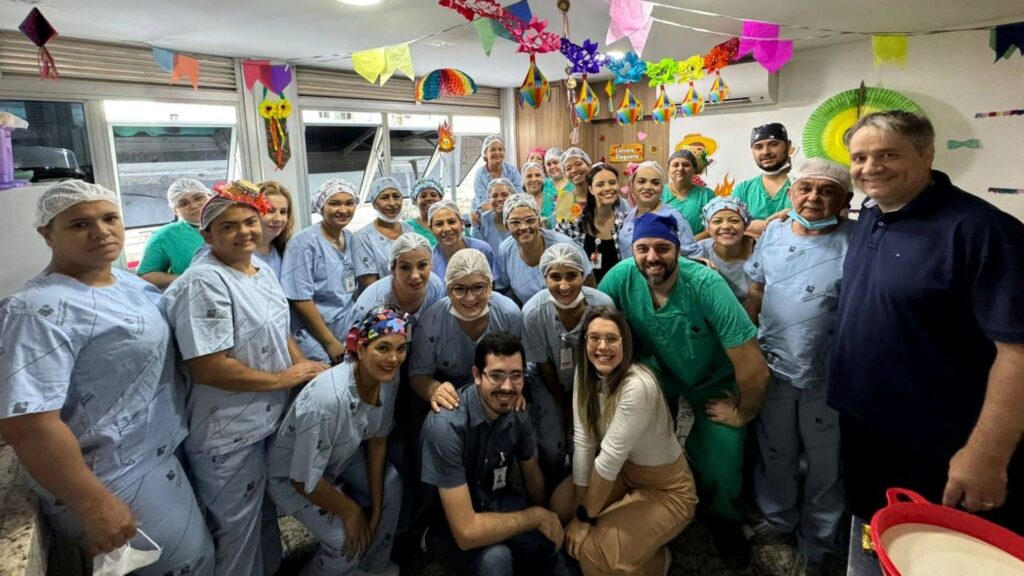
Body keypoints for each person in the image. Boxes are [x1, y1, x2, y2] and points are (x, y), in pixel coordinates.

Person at [0, 180, 215, 575]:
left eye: (109, 218)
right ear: (47, 234)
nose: (100, 231)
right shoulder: (36, 310)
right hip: (108, 475)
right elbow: (28, 423)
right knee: (182, 567)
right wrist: (93, 504)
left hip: (157, 452)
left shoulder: (129, 283)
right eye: (79, 224)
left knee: (196, 558)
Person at [830, 110, 1024, 533]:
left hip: (943, 441)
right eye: (859, 158)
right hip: (867, 425)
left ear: (927, 155)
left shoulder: (983, 232)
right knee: (876, 531)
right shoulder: (872, 215)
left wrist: (986, 453)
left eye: (887, 155)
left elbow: (1019, 353)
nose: (869, 168)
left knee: (943, 548)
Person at [162, 180, 329, 575]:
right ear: (207, 234)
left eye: (250, 221)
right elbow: (208, 365)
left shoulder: (260, 270)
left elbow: (280, 330)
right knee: (236, 530)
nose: (244, 232)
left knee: (262, 518)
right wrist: (284, 379)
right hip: (227, 429)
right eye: (229, 226)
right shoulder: (203, 282)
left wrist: (304, 371)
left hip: (266, 417)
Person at [598, 212, 769, 566]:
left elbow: (753, 367)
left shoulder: (706, 285)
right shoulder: (621, 278)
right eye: (642, 248)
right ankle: (649, 504)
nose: (652, 257)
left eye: (662, 248)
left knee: (722, 459)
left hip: (713, 381)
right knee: (632, 437)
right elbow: (595, 328)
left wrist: (743, 412)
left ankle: (725, 521)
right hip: (659, 373)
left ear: (678, 250)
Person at [743, 158, 856, 572]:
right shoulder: (772, 232)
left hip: (827, 370)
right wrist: (749, 348)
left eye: (826, 191)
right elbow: (756, 288)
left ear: (845, 200)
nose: (813, 198)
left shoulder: (856, 240)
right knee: (776, 449)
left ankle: (820, 537)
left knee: (825, 459)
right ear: (791, 193)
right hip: (773, 363)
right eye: (805, 188)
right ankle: (777, 520)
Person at [551, 307, 698, 576]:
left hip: (666, 490)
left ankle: (656, 562)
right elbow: (583, 441)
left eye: (612, 339)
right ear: (584, 342)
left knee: (593, 551)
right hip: (623, 473)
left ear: (625, 343)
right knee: (561, 507)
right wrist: (579, 509)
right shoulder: (585, 374)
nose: (602, 347)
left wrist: (584, 520)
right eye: (594, 338)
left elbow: (607, 461)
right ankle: (631, 542)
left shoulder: (638, 386)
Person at [419, 331, 579, 576]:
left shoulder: (516, 410)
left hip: (497, 501)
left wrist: (546, 519)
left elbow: (532, 475)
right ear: (477, 376)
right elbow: (466, 532)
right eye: (496, 375)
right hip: (447, 522)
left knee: (554, 545)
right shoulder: (447, 425)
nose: (507, 386)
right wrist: (535, 517)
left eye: (516, 376)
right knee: (496, 559)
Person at [267, 307, 409, 576]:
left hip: (337, 457)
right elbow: (302, 479)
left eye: (401, 349)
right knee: (345, 545)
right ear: (361, 349)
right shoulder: (327, 400)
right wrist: (350, 511)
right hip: (292, 479)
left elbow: (378, 438)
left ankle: (373, 566)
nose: (393, 358)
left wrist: (377, 510)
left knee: (391, 483)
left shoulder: (388, 376)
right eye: (383, 348)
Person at [522, 245, 614, 460]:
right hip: (548, 380)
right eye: (555, 277)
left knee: (593, 440)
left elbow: (607, 359)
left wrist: (582, 400)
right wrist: (563, 403)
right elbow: (543, 364)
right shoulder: (533, 313)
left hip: (594, 378)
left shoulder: (602, 305)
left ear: (583, 275)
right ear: (544, 278)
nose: (564, 285)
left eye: (571, 275)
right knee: (552, 445)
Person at [409, 249, 523, 408]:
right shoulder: (431, 323)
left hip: (501, 387)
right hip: (453, 397)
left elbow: (523, 365)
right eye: (459, 289)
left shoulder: (509, 315)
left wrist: (516, 390)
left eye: (478, 287)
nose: (470, 298)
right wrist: (435, 389)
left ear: (491, 286)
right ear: (448, 290)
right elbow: (419, 374)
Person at [281, 178, 359, 364]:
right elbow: (300, 298)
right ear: (321, 207)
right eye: (334, 203)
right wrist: (329, 342)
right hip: (315, 337)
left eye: (349, 203)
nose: (343, 209)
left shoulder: (349, 237)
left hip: (345, 331)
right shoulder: (304, 243)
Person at [497, 194, 594, 305]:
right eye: (515, 222)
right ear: (506, 226)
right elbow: (511, 291)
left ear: (539, 221)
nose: (523, 227)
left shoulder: (565, 246)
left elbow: (589, 283)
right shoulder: (506, 250)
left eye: (530, 220)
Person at [554, 164, 626, 284]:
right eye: (600, 184)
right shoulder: (571, 223)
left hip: (617, 293)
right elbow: (554, 253)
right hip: (581, 292)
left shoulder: (627, 224)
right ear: (591, 189)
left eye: (612, 182)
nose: (608, 188)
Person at [617, 161, 701, 261]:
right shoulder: (628, 218)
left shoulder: (674, 218)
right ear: (632, 186)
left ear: (662, 188)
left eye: (655, 183)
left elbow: (693, 258)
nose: (648, 187)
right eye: (641, 181)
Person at [137, 178, 212, 288]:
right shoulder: (165, 236)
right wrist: (187, 279)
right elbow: (145, 275)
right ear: (175, 211)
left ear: (210, 197)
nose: (194, 206)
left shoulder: (233, 223)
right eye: (183, 203)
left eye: (198, 198)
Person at [732, 123, 793, 236]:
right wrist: (790, 223)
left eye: (774, 144)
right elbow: (734, 230)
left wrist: (755, 228)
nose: (765, 152)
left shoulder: (804, 184)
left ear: (788, 146)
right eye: (758, 147)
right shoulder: (744, 189)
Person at [354, 176, 414, 290]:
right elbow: (370, 284)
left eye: (396, 196)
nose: (392, 203)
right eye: (384, 197)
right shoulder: (363, 237)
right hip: (382, 302)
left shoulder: (409, 230)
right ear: (374, 203)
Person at [699, 197, 755, 303]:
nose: (725, 226)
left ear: (745, 225)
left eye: (734, 221)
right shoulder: (698, 252)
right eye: (717, 221)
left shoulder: (762, 251)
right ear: (708, 228)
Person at [429, 199, 498, 281]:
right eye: (439, 224)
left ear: (462, 224)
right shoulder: (429, 260)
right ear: (431, 229)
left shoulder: (482, 249)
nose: (446, 228)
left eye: (451, 222)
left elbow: (491, 284)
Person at [663, 147, 715, 236]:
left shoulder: (706, 195)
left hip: (697, 247)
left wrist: (690, 244)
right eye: (675, 165)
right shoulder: (658, 192)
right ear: (668, 170)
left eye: (686, 165)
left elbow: (713, 227)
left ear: (694, 170)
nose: (680, 168)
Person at [472, 135, 523, 224]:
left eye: (500, 149)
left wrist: (508, 213)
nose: (497, 152)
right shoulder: (480, 175)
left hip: (512, 215)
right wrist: (500, 211)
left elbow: (519, 195)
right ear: (485, 153)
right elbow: (483, 202)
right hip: (489, 217)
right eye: (493, 150)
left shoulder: (512, 170)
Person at [254, 180, 294, 278]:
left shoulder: (284, 249)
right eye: (270, 211)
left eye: (283, 212)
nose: (278, 219)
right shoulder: (241, 255)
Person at [471, 178, 513, 256]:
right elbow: (478, 252)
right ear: (489, 199)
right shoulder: (481, 221)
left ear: (513, 196)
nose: (500, 199)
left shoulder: (520, 219)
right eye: (494, 196)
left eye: (504, 195)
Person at [552, 147, 591, 228]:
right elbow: (560, 232)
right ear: (565, 175)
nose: (574, 170)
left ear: (589, 166)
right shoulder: (564, 202)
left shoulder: (602, 195)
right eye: (568, 168)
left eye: (578, 164)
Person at [407, 177, 444, 247]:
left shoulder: (450, 222)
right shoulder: (407, 227)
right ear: (415, 201)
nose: (429, 198)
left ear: (441, 199)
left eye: (433, 195)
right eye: (423, 196)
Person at [542, 147, 572, 211]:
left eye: (555, 162)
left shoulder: (573, 184)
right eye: (548, 164)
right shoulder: (543, 186)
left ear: (563, 162)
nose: (552, 166)